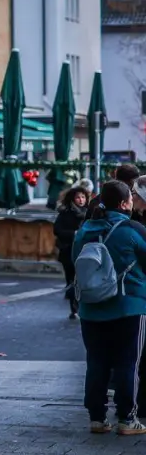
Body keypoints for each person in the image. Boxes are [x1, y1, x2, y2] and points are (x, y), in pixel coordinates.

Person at [73, 180, 146, 436]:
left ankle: (97, 418)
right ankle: (127, 419)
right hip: (128, 306)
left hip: (91, 307)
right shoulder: (132, 229)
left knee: (96, 362)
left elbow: (75, 261)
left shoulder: (85, 230)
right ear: (125, 203)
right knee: (128, 363)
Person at [54, 184, 91, 319]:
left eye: (83, 197)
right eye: (78, 198)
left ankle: (83, 306)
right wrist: (73, 234)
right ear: (72, 199)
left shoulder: (90, 213)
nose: (81, 200)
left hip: (86, 251)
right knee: (72, 279)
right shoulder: (65, 213)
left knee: (84, 280)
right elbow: (57, 230)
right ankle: (74, 308)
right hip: (68, 251)